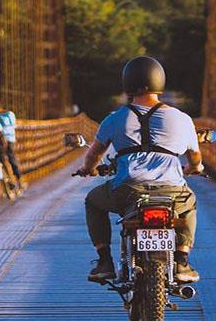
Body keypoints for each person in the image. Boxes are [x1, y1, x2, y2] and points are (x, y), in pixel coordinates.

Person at [74, 56, 205, 284]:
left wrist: (87, 169)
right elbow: (195, 156)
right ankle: (182, 261)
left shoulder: (115, 118)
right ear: (160, 82)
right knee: (190, 203)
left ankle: (104, 261)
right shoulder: (181, 119)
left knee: (93, 201)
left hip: (128, 190)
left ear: (127, 84)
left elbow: (94, 153)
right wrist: (195, 167)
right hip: (171, 191)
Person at [0, 102, 23, 191]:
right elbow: (14, 125)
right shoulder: (10, 114)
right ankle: (18, 179)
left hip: (1, 139)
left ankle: (7, 179)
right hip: (11, 138)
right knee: (11, 158)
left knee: (1, 158)